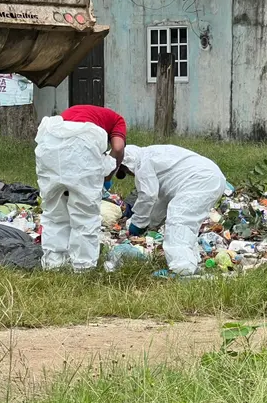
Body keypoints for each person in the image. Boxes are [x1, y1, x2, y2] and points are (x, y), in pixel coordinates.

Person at [35, 105, 126, 271]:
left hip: (49, 150)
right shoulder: (117, 120)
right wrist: (108, 174)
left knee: (55, 212)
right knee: (84, 215)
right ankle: (83, 268)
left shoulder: (74, 111)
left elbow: (64, 141)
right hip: (82, 151)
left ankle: (53, 264)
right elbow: (118, 148)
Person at [117, 144, 226, 276]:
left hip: (199, 179)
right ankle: (191, 260)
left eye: (127, 171)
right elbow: (162, 202)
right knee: (188, 224)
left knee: (178, 221)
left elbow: (147, 196)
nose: (130, 174)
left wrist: (138, 223)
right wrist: (151, 224)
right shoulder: (153, 156)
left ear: (127, 164)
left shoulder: (142, 163)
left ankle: (181, 269)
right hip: (211, 177)